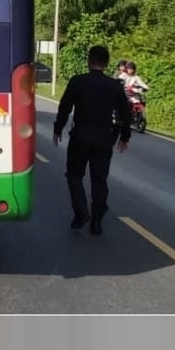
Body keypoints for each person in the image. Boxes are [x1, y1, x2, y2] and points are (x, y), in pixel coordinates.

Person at [52, 45, 133, 235]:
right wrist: (124, 137)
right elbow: (125, 113)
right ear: (106, 64)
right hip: (104, 137)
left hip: (80, 134)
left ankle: (81, 212)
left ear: (89, 61)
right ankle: (97, 221)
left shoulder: (77, 82)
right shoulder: (114, 86)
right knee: (99, 179)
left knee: (74, 175)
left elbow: (64, 107)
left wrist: (58, 128)